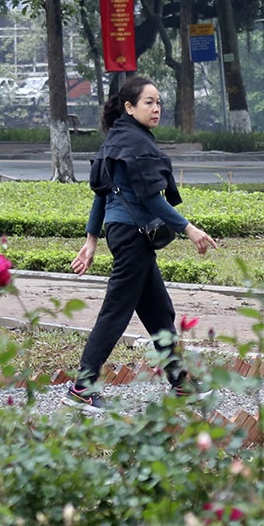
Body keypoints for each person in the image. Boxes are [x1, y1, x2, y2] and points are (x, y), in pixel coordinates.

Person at [66, 77, 216, 412]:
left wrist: (91, 240)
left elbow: (103, 196)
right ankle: (82, 387)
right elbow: (150, 199)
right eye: (148, 102)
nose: (156, 108)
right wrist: (188, 229)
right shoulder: (134, 143)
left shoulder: (119, 140)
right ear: (129, 107)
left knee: (159, 310)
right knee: (116, 311)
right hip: (132, 236)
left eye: (159, 102)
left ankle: (181, 383)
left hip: (125, 233)